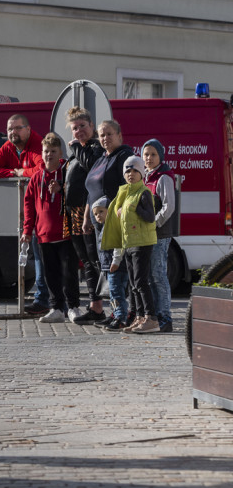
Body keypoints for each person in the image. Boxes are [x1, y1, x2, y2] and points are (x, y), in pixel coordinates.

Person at [0, 114, 50, 314]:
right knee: (36, 256)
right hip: (26, 211)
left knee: (41, 257)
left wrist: (22, 172)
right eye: (10, 129)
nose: (13, 133)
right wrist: (13, 173)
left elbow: (43, 169)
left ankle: (44, 299)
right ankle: (42, 299)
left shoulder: (38, 143)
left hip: (44, 210)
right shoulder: (9, 147)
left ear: (28, 129)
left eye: (18, 128)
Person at [21, 133, 80, 323]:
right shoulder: (36, 178)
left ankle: (73, 307)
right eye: (46, 151)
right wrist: (27, 231)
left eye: (53, 151)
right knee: (51, 275)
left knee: (69, 273)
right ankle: (56, 308)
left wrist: (62, 188)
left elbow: (77, 194)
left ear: (60, 152)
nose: (49, 155)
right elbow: (28, 206)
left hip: (65, 233)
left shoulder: (67, 172)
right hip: (44, 235)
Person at [83, 119, 135, 330]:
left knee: (117, 271)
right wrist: (87, 218)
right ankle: (116, 311)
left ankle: (123, 315)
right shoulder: (101, 159)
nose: (105, 138)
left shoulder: (124, 157)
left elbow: (128, 190)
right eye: (101, 135)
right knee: (106, 269)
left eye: (109, 134)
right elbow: (90, 193)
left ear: (120, 135)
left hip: (115, 223)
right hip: (98, 224)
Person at [101, 155, 158, 333]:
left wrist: (135, 209)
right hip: (129, 243)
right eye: (128, 171)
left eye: (135, 171)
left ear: (141, 173)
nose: (131, 174)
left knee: (141, 282)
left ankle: (152, 318)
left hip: (142, 243)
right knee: (133, 284)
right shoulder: (125, 194)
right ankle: (139, 317)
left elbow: (150, 217)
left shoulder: (143, 193)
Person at [63, 107, 107, 325]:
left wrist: (75, 147)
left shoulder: (96, 147)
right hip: (73, 213)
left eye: (83, 126)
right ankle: (95, 306)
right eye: (75, 128)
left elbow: (92, 167)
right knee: (86, 262)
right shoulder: (76, 151)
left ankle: (113, 306)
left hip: (88, 211)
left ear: (92, 126)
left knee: (95, 260)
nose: (79, 131)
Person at [142, 139, 179, 333]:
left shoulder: (163, 177)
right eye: (146, 154)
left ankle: (165, 317)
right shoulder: (145, 177)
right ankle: (155, 316)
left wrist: (153, 223)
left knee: (158, 276)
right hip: (146, 236)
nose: (149, 158)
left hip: (159, 234)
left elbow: (168, 206)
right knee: (149, 276)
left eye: (153, 154)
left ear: (161, 156)